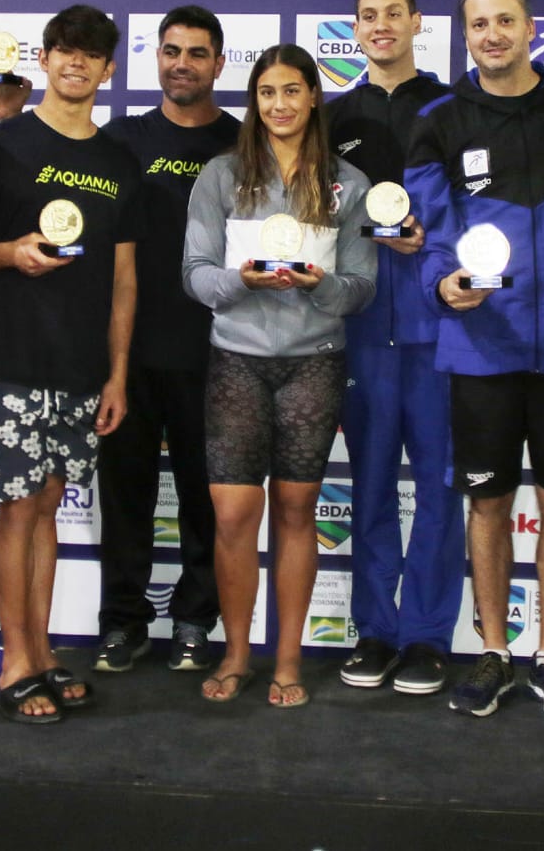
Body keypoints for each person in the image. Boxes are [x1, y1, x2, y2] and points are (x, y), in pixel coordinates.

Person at [405, 0, 544, 719]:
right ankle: (494, 650)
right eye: (478, 24)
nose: (491, 34)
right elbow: (426, 237)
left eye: (504, 21)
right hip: (482, 348)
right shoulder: (439, 121)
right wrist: (442, 285)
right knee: (487, 504)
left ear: (530, 27)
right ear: (464, 35)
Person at [0, 5, 142, 723]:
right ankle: (15, 659)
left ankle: (44, 650)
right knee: (18, 509)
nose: (77, 63)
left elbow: (125, 279)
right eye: (65, 50)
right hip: (10, 359)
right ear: (46, 57)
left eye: (92, 54)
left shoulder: (119, 159)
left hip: (82, 369)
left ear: (108, 68)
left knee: (50, 506)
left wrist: (117, 372)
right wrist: (8, 255)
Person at [183, 44, 376, 707]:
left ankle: (287, 660)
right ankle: (237, 654)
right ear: (254, 101)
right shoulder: (221, 176)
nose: (280, 105)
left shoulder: (347, 183)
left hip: (314, 362)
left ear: (314, 97)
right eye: (267, 92)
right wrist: (241, 281)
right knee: (235, 514)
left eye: (292, 91)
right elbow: (196, 274)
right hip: (236, 358)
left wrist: (321, 287)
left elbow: (362, 285)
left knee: (296, 509)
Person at [91, 6, 238, 675]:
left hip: (217, 352)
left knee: (207, 498)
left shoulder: (243, 145)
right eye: (172, 50)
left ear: (218, 63)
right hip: (127, 352)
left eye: (197, 52)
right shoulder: (119, 140)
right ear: (156, 57)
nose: (183, 62)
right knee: (125, 496)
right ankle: (123, 622)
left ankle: (194, 618)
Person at [327, 0, 462, 696]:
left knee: (441, 487)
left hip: (440, 326)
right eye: (367, 17)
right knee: (371, 483)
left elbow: (477, 206)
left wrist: (431, 241)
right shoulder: (332, 117)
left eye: (392, 15)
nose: (380, 26)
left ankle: (429, 637)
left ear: (416, 23)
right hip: (360, 327)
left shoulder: (452, 107)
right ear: (355, 30)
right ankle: (376, 631)